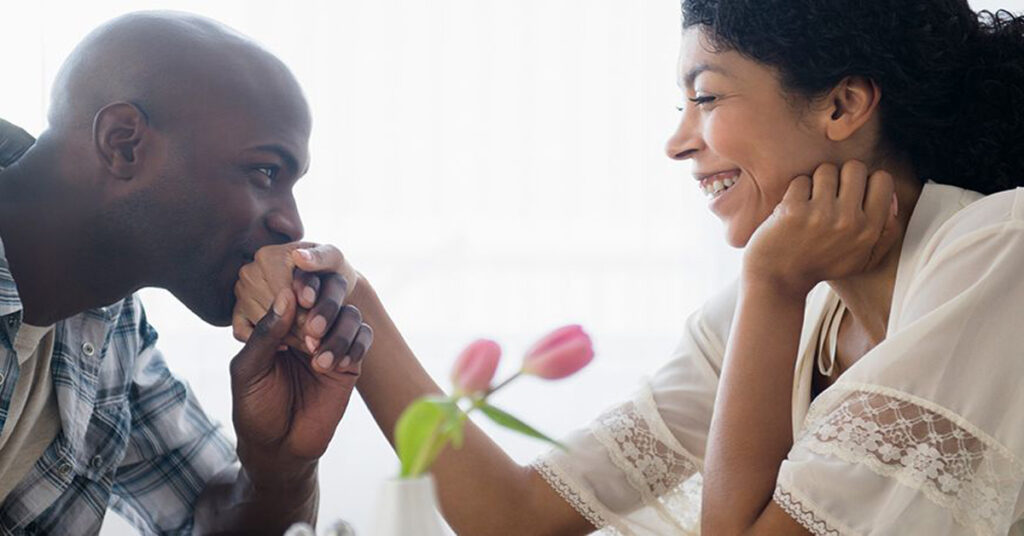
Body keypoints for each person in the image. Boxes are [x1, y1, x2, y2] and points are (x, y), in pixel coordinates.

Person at [235, 0, 1024, 534]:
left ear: (842, 106)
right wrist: (351, 301)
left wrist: (772, 285)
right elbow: (515, 516)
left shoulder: (998, 250)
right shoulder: (774, 306)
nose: (678, 142)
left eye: (706, 98)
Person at [0, 11, 372, 535]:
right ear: (123, 143)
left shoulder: (108, 327)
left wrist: (279, 465)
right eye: (264, 171)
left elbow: (205, 518)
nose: (292, 225)